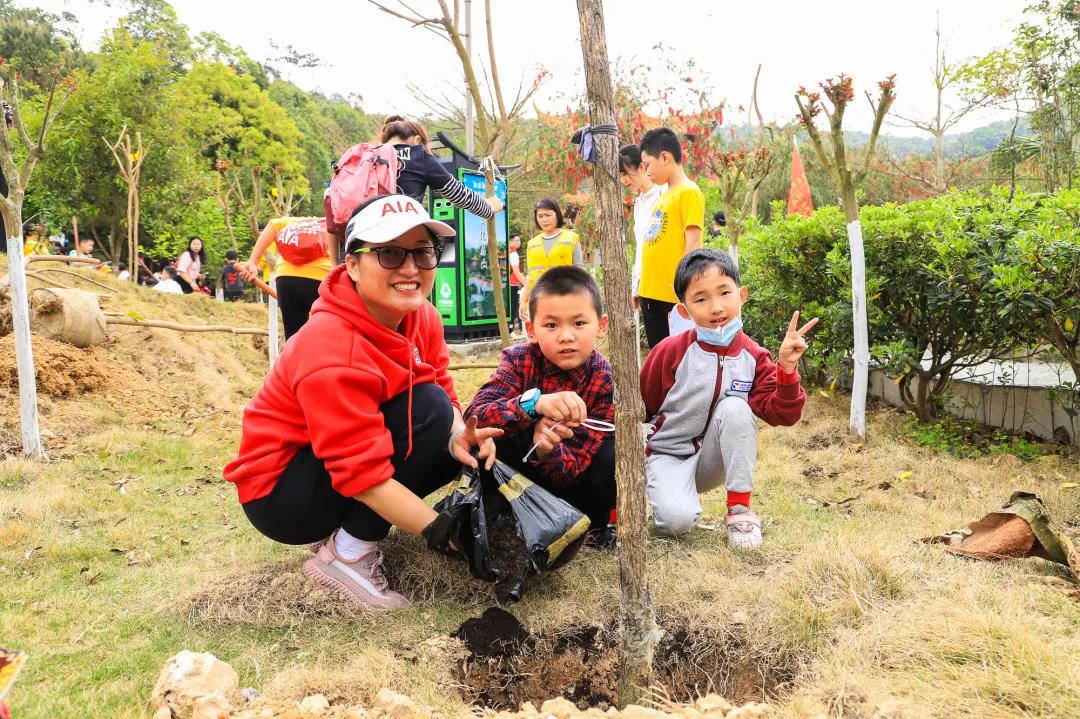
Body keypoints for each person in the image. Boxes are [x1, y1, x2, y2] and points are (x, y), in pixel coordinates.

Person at [223, 194, 503, 610]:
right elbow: (364, 475)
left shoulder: (420, 314)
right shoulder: (329, 348)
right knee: (427, 410)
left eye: (423, 253)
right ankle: (349, 554)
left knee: (446, 428)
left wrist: (460, 433)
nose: (410, 269)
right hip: (280, 495)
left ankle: (345, 531)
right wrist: (446, 533)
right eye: (389, 254)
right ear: (351, 264)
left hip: (328, 461)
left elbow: (441, 384)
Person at [640, 249, 818, 549]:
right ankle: (667, 495)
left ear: (741, 294)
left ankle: (740, 511)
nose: (716, 307)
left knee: (736, 407)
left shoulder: (754, 356)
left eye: (724, 293)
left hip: (711, 461)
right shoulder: (670, 351)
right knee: (676, 525)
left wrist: (786, 368)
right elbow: (642, 407)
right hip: (666, 456)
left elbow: (782, 414)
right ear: (684, 311)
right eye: (701, 299)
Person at [465, 266, 616, 543]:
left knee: (614, 449)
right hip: (516, 481)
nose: (566, 336)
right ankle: (498, 516)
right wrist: (533, 406)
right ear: (531, 329)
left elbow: (577, 466)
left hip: (575, 490)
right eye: (551, 325)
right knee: (492, 435)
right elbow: (474, 417)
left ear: (602, 325)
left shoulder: (603, 379)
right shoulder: (519, 360)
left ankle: (593, 527)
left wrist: (548, 449)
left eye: (579, 323)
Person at [325, 115, 503, 249]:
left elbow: (330, 206)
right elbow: (458, 194)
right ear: (417, 140)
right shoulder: (417, 155)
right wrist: (488, 207)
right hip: (397, 245)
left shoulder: (362, 157)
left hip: (355, 247)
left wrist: (335, 264)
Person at [637, 127, 706, 348]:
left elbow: (693, 243)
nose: (646, 172)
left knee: (675, 361)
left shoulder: (689, 192)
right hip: (651, 293)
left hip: (671, 297)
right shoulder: (664, 194)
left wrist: (685, 290)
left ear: (664, 157)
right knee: (659, 357)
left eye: (648, 164)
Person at [239, 217, 330, 337]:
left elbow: (272, 225)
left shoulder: (300, 221)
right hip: (320, 277)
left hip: (285, 277)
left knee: (294, 335)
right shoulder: (338, 222)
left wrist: (252, 262)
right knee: (327, 333)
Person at [619, 144, 666, 314]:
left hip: (668, 284)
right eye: (620, 175)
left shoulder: (665, 194)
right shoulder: (638, 203)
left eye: (625, 173)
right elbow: (640, 248)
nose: (623, 180)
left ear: (641, 167)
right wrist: (635, 286)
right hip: (647, 287)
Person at [520, 198, 584, 320]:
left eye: (548, 215)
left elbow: (580, 272)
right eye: (540, 216)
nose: (544, 220)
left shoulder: (572, 238)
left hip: (565, 300)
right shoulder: (532, 243)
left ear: (557, 215)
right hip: (539, 302)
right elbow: (530, 276)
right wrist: (523, 301)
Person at [507, 235, 526, 332]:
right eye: (517, 240)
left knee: (511, 307)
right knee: (513, 307)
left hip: (508, 284)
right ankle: (510, 330)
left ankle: (511, 329)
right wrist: (526, 284)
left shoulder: (506, 251)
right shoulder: (513, 254)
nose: (519, 242)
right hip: (512, 284)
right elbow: (516, 271)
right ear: (511, 241)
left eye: (519, 240)